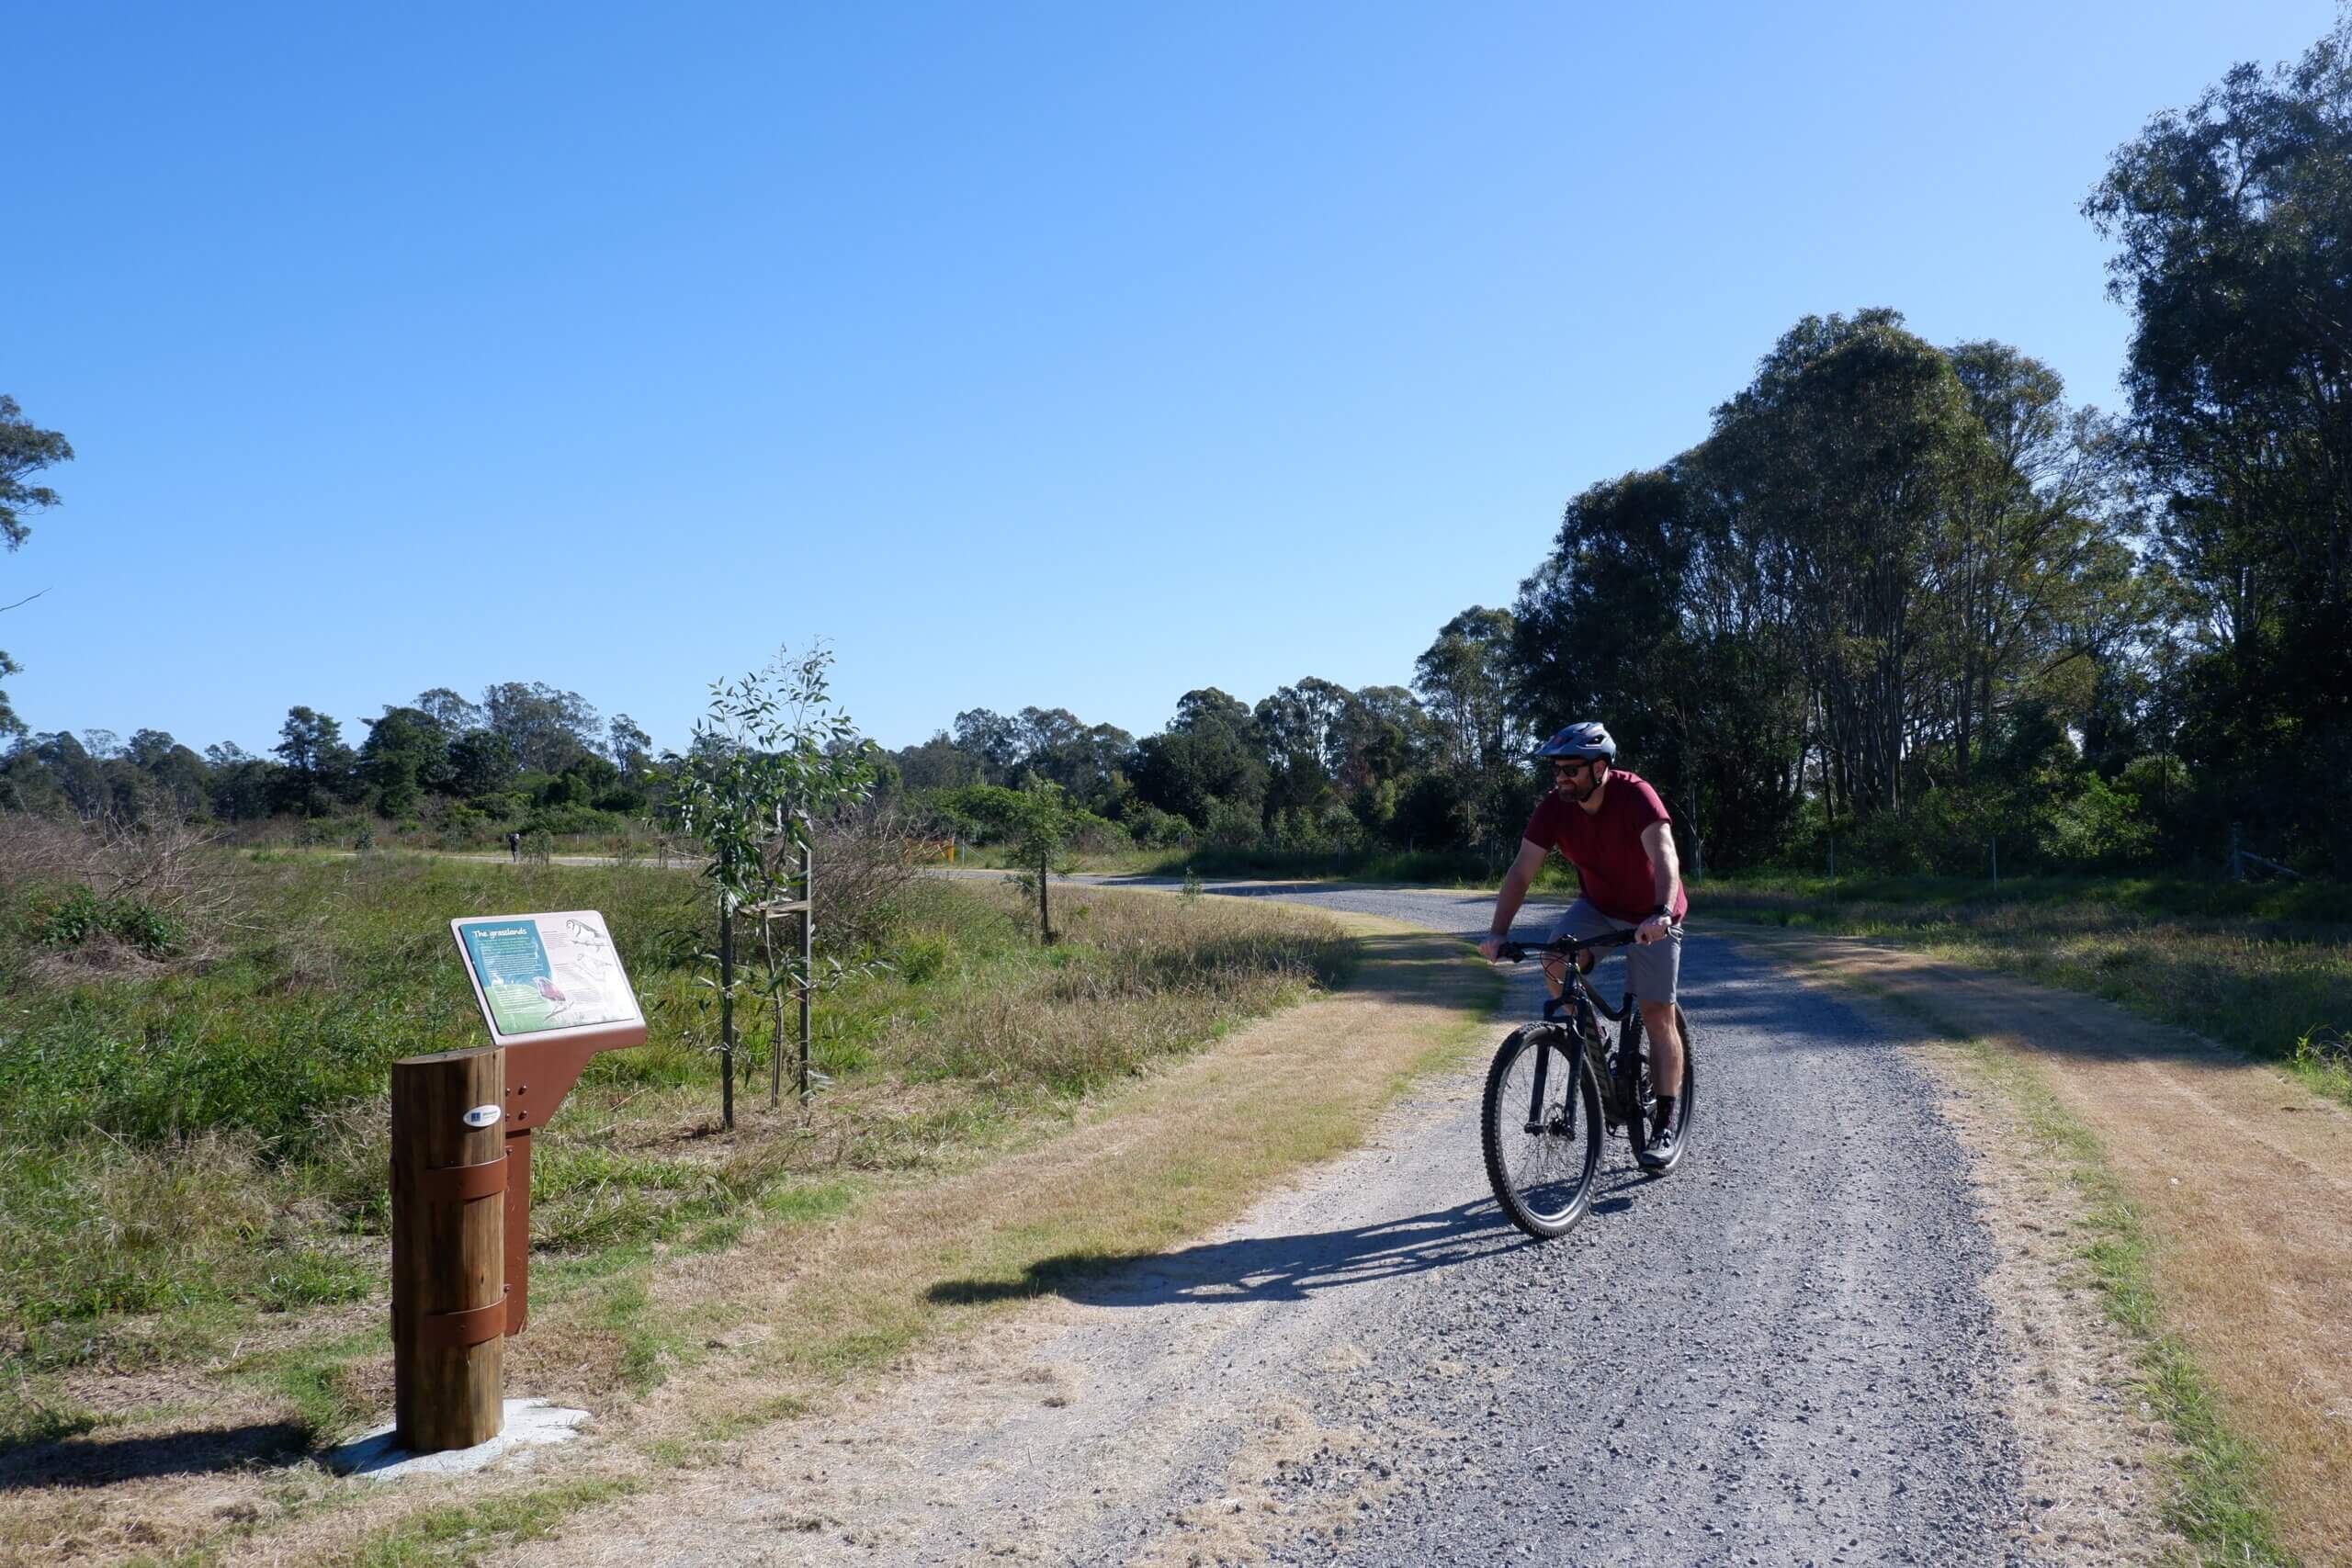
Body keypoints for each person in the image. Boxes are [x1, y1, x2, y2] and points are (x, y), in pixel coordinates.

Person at [1476, 721, 1690, 1166]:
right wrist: (1497, 932)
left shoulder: (1635, 795)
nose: (1560, 778)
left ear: (1599, 768)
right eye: (1556, 770)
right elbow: (1521, 870)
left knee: (1656, 1013)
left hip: (1653, 911)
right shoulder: (1555, 808)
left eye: (1570, 769)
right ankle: (1595, 1047)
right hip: (1597, 906)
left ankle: (1665, 1123)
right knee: (1555, 959)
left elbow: (1665, 855)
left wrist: (1662, 913)